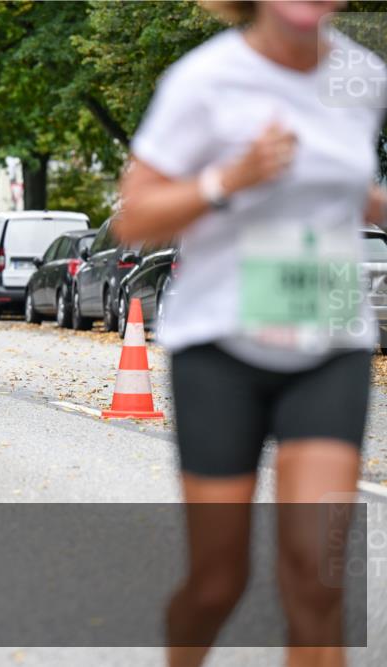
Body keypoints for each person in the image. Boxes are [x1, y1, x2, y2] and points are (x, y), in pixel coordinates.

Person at [114, 2, 387, 665]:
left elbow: (351, 190)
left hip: (331, 341)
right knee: (218, 581)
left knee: (317, 576)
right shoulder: (203, 80)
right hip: (220, 348)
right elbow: (134, 219)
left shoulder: (364, 78)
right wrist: (229, 179)